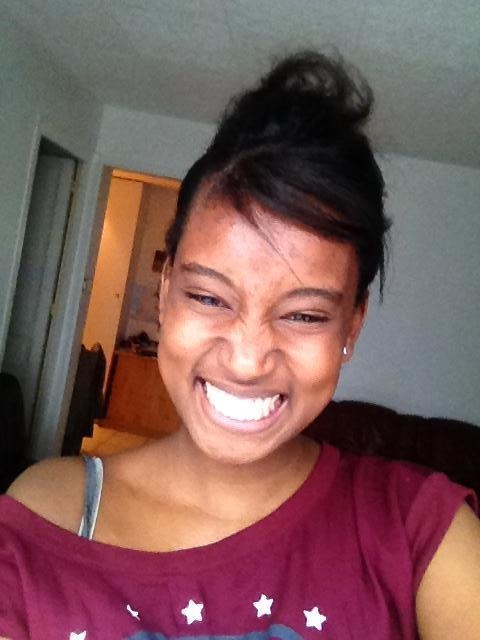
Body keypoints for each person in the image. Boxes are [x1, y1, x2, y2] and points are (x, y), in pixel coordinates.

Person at [1, 51, 479, 640]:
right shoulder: (45, 519)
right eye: (209, 297)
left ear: (351, 328)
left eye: (304, 315)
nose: (248, 360)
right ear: (166, 291)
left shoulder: (420, 533)